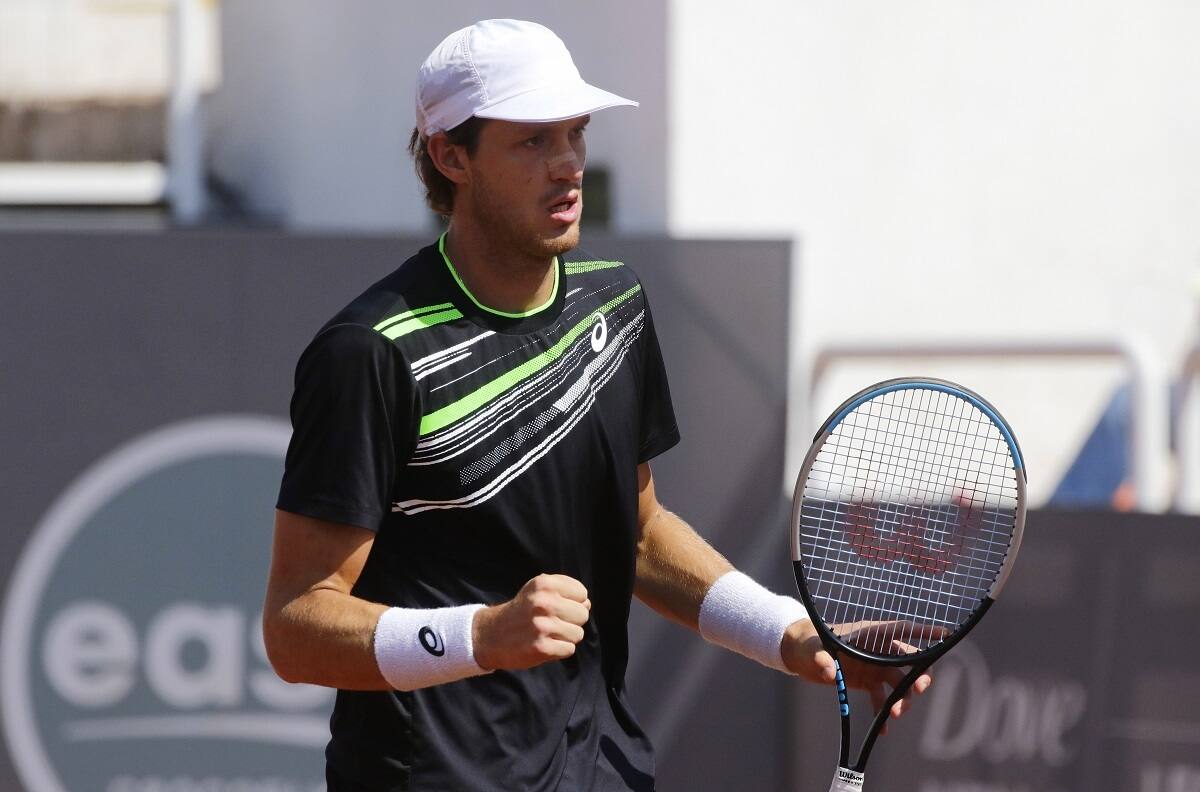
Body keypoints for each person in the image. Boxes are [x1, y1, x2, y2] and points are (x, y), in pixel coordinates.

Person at [262, 19, 931, 791]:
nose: (568, 166)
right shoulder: (370, 352)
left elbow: (639, 535)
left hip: (602, 768)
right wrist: (481, 636)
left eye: (574, 135)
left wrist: (786, 632)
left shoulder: (613, 306)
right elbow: (296, 626)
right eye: (533, 142)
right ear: (452, 156)